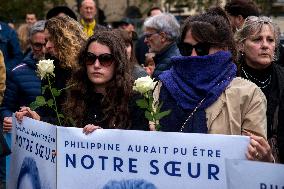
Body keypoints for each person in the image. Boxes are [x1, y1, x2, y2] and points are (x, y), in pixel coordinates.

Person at [151, 7, 273, 162]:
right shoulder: (163, 86)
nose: (193, 56)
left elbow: (254, 161)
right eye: (187, 49)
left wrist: (265, 158)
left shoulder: (248, 94)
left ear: (223, 48)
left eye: (202, 49)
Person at [16, 30, 148, 132]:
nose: (96, 65)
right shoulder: (76, 93)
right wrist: (37, 119)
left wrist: (105, 139)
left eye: (105, 59)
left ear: (118, 63)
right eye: (90, 58)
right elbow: (64, 126)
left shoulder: (133, 99)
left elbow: (138, 146)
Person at [16, 16, 87, 126]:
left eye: (52, 40)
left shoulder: (84, 70)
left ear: (66, 40)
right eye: (46, 40)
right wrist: (32, 114)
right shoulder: (51, 66)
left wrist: (41, 119)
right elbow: (47, 107)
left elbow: (75, 120)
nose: (47, 46)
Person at [235, 16, 284, 163]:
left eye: (270, 40)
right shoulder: (230, 77)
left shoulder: (281, 77)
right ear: (241, 46)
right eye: (257, 40)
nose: (265, 45)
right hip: (238, 158)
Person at [0, 20, 46, 134]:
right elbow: (6, 107)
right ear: (30, 44)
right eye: (37, 45)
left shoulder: (66, 71)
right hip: (27, 138)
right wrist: (9, 119)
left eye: (47, 43)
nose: (43, 50)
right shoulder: (17, 73)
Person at [143, 13, 180, 78]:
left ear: (163, 37)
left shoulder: (173, 62)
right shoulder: (167, 58)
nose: (145, 41)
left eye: (148, 36)